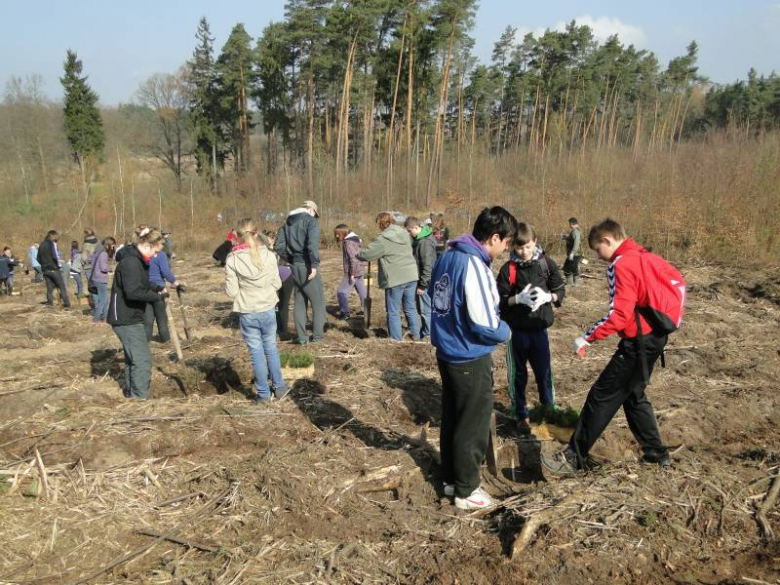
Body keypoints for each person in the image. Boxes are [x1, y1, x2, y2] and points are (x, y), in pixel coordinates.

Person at [543, 219, 683, 475]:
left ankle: (573, 457)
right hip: (655, 337)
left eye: (598, 250)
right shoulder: (646, 256)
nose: (599, 256)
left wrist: (587, 337)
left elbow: (619, 314)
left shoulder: (622, 263)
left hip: (638, 343)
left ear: (607, 240)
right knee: (633, 397)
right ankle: (656, 454)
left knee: (601, 396)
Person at [430, 206, 517, 510]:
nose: (505, 251)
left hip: (447, 352)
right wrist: (506, 332)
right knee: (473, 424)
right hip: (469, 355)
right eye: (505, 244)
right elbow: (484, 322)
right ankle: (467, 490)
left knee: (454, 418)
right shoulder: (473, 265)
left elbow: (436, 296)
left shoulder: (447, 256)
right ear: (494, 237)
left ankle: (451, 479)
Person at [497, 223, 566, 433]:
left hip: (539, 329)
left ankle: (548, 411)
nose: (524, 252)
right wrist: (517, 298)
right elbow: (499, 301)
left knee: (544, 373)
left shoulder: (547, 264)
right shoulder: (508, 269)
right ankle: (520, 414)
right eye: (519, 248)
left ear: (534, 242)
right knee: (518, 375)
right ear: (513, 247)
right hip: (515, 332)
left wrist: (550, 297)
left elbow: (560, 289)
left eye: (527, 247)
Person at [226, 218, 287, 404]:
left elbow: (231, 292)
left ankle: (263, 394)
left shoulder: (232, 259)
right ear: (256, 233)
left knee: (256, 352)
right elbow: (277, 282)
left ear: (238, 235)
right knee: (271, 347)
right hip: (267, 307)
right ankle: (279, 387)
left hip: (247, 310)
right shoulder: (269, 255)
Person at [108, 228, 168, 399]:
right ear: (148, 245)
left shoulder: (138, 261)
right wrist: (157, 297)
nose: (156, 255)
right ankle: (140, 399)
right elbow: (133, 291)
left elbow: (142, 282)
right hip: (126, 318)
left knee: (132, 359)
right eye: (156, 251)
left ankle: (132, 395)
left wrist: (156, 287)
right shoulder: (131, 263)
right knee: (142, 361)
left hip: (131, 316)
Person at [357, 212, 420, 341]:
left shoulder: (383, 239)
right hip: (411, 275)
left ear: (381, 224)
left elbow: (367, 254)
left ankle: (396, 339)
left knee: (393, 311)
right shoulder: (404, 233)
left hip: (396, 278)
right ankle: (416, 335)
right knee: (410, 307)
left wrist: (358, 251)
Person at [275, 200, 326, 344]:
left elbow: (278, 246)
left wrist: (291, 258)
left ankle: (302, 338)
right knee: (318, 303)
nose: (315, 217)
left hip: (295, 266)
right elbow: (312, 245)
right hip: (308, 265)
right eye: (315, 214)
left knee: (299, 301)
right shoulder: (311, 222)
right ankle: (318, 337)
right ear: (311, 210)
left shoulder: (287, 223)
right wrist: (314, 265)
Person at [404, 216, 436, 339]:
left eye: (409, 230)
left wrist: (423, 285)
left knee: (425, 310)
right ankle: (426, 330)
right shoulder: (422, 239)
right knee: (424, 309)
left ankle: (428, 335)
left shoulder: (424, 242)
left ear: (416, 227)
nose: (408, 233)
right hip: (425, 280)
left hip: (426, 282)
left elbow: (427, 265)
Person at [146, 243, 183, 342]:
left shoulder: (144, 254)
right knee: (161, 317)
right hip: (159, 289)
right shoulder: (161, 255)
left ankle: (146, 341)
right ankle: (165, 339)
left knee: (148, 318)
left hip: (145, 289)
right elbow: (165, 271)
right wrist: (176, 283)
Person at [263, 230, 294, 338]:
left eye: (271, 237)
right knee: (272, 304)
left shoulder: (281, 249)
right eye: (268, 238)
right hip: (272, 279)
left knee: (283, 305)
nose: (269, 239)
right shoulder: (262, 250)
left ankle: (283, 331)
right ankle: (274, 329)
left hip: (286, 277)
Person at [334, 224, 367, 320]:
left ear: (343, 233)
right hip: (360, 269)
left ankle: (345, 313)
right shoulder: (356, 239)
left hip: (353, 272)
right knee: (361, 290)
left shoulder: (348, 243)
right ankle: (365, 310)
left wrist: (352, 273)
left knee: (341, 292)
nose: (336, 236)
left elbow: (354, 259)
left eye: (338, 234)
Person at [37, 230, 71, 309]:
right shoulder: (51, 244)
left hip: (45, 270)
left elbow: (38, 258)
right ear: (52, 235)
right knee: (61, 286)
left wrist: (43, 264)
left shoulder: (41, 245)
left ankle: (50, 303)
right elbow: (54, 256)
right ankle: (66, 304)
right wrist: (56, 265)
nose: (57, 238)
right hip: (53, 268)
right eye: (56, 236)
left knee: (49, 288)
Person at [90, 237, 116, 324]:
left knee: (105, 300)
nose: (113, 247)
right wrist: (110, 268)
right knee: (103, 300)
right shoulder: (104, 254)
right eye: (112, 245)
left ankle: (105, 318)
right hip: (100, 279)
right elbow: (104, 268)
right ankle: (96, 319)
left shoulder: (99, 252)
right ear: (108, 245)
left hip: (97, 278)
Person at [563, 217, 583, 286]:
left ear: (571, 223)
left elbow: (576, 243)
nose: (569, 225)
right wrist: (566, 237)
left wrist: (572, 253)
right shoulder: (577, 230)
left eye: (569, 224)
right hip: (576, 254)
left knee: (567, 268)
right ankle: (575, 284)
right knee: (574, 269)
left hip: (574, 254)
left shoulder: (575, 231)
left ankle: (571, 284)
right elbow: (573, 239)